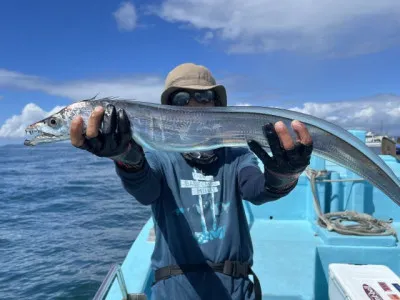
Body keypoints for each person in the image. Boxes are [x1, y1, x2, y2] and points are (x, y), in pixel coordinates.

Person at [70, 63, 313, 300]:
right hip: (174, 290)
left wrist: (284, 174)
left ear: (217, 105)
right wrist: (126, 159)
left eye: (204, 97)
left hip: (236, 289)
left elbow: (257, 191)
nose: (193, 105)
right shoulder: (158, 156)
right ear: (167, 109)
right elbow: (146, 191)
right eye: (181, 99)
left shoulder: (237, 154)